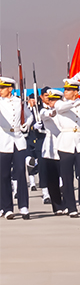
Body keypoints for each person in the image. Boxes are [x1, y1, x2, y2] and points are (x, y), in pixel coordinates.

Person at [50, 76, 80, 215]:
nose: (65, 92)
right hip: (66, 142)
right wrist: (75, 103)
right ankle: (71, 207)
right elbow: (61, 108)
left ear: (76, 92)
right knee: (67, 176)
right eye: (65, 89)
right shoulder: (60, 103)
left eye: (69, 90)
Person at [0, 77, 33, 220]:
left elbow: (29, 116)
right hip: (3, 140)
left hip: (18, 140)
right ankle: (6, 208)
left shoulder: (19, 102)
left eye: (2, 88)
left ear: (10, 89)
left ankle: (23, 206)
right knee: (4, 176)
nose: (0, 90)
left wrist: (27, 124)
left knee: (20, 172)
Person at [37, 89, 66, 214]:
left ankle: (67, 204)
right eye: (50, 100)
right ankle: (57, 206)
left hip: (64, 145)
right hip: (49, 148)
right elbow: (46, 114)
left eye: (54, 100)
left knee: (65, 178)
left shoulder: (65, 112)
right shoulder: (44, 111)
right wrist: (53, 112)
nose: (51, 102)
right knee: (52, 180)